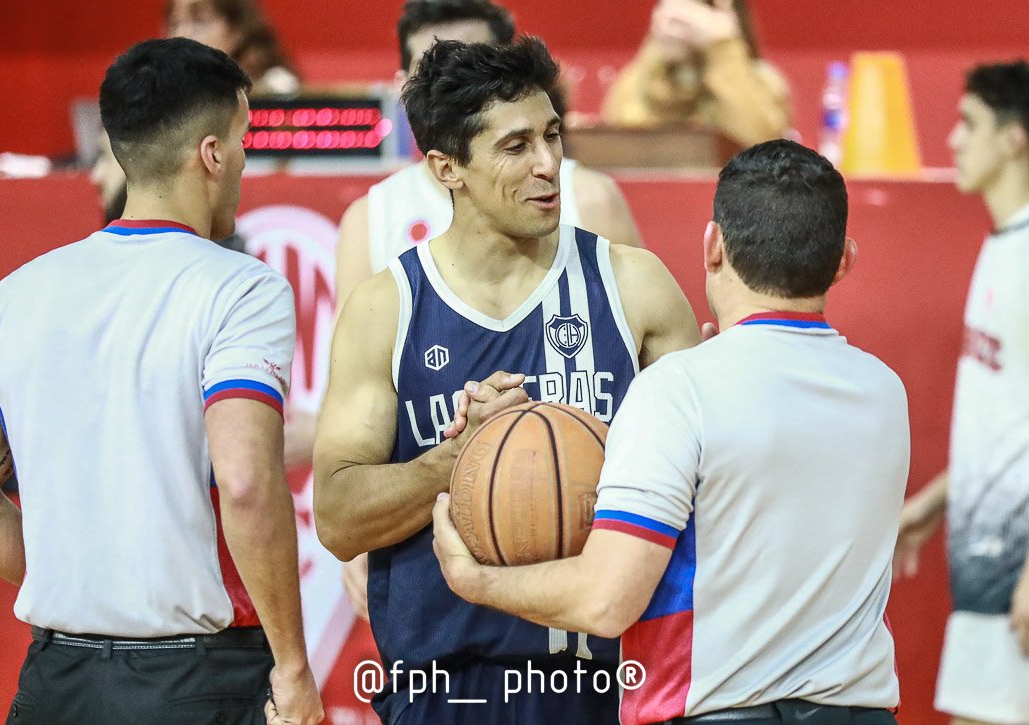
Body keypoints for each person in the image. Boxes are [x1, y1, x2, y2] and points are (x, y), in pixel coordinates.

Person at [433, 139, 909, 725]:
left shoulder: (680, 390)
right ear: (843, 261)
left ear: (712, 245)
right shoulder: (886, 391)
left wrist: (474, 579)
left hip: (717, 711)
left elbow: (605, 602)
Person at [314, 37, 699, 723]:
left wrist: (570, 441)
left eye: (553, 136)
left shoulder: (632, 284)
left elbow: (702, 486)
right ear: (446, 168)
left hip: (609, 680)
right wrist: (458, 461)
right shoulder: (386, 308)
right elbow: (339, 518)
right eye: (516, 146)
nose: (549, 164)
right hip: (443, 685)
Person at [0, 38, 322, 725]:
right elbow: (244, 482)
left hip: (54, 681)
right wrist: (294, 664)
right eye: (241, 141)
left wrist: (82, 584)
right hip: (198, 678)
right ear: (211, 153)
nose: (244, 161)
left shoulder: (15, 294)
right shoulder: (243, 289)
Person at [336, 0, 647, 619]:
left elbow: (671, 421)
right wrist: (361, 546)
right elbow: (349, 467)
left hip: (592, 604)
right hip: (440, 607)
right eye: (434, 63)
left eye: (552, 136)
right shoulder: (374, 224)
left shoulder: (593, 204)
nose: (545, 162)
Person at [894, 60, 1029, 725]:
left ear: (1014, 139)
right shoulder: (1003, 245)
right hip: (986, 571)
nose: (951, 140)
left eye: (968, 124)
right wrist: (930, 503)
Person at [601, 0, 789, 148]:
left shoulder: (763, 81)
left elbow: (761, 146)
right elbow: (625, 136)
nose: (680, 19)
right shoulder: (636, 79)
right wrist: (658, 55)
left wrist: (722, 48)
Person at [166, 0, 301, 96]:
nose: (182, 34)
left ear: (237, 29)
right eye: (175, 23)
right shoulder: (163, 90)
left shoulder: (277, 87)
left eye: (200, 22)